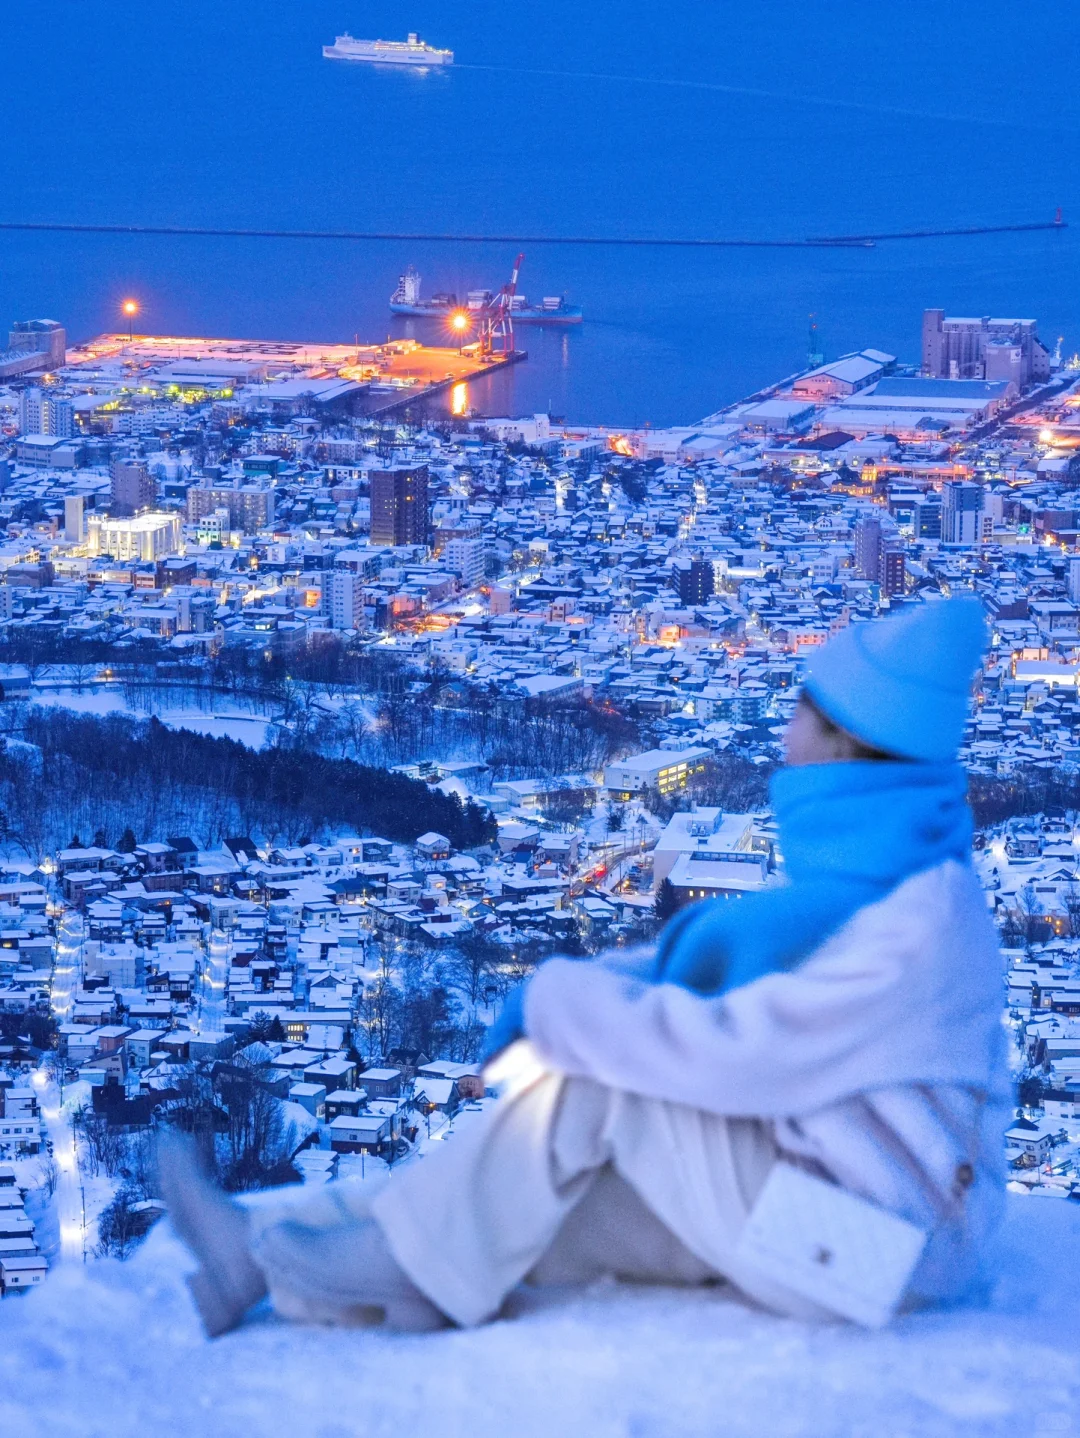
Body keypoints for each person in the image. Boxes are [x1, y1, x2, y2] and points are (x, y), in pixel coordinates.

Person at [160, 596, 1007, 1337]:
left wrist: (561, 1003)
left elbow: (735, 1052)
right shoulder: (884, 885)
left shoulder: (917, 925)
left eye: (802, 711)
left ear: (847, 743)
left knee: (592, 1088)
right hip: (831, 1209)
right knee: (522, 1212)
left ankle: (421, 1280)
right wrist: (599, 991)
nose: (782, 731)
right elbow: (755, 977)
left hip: (881, 1252)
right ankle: (263, 1260)